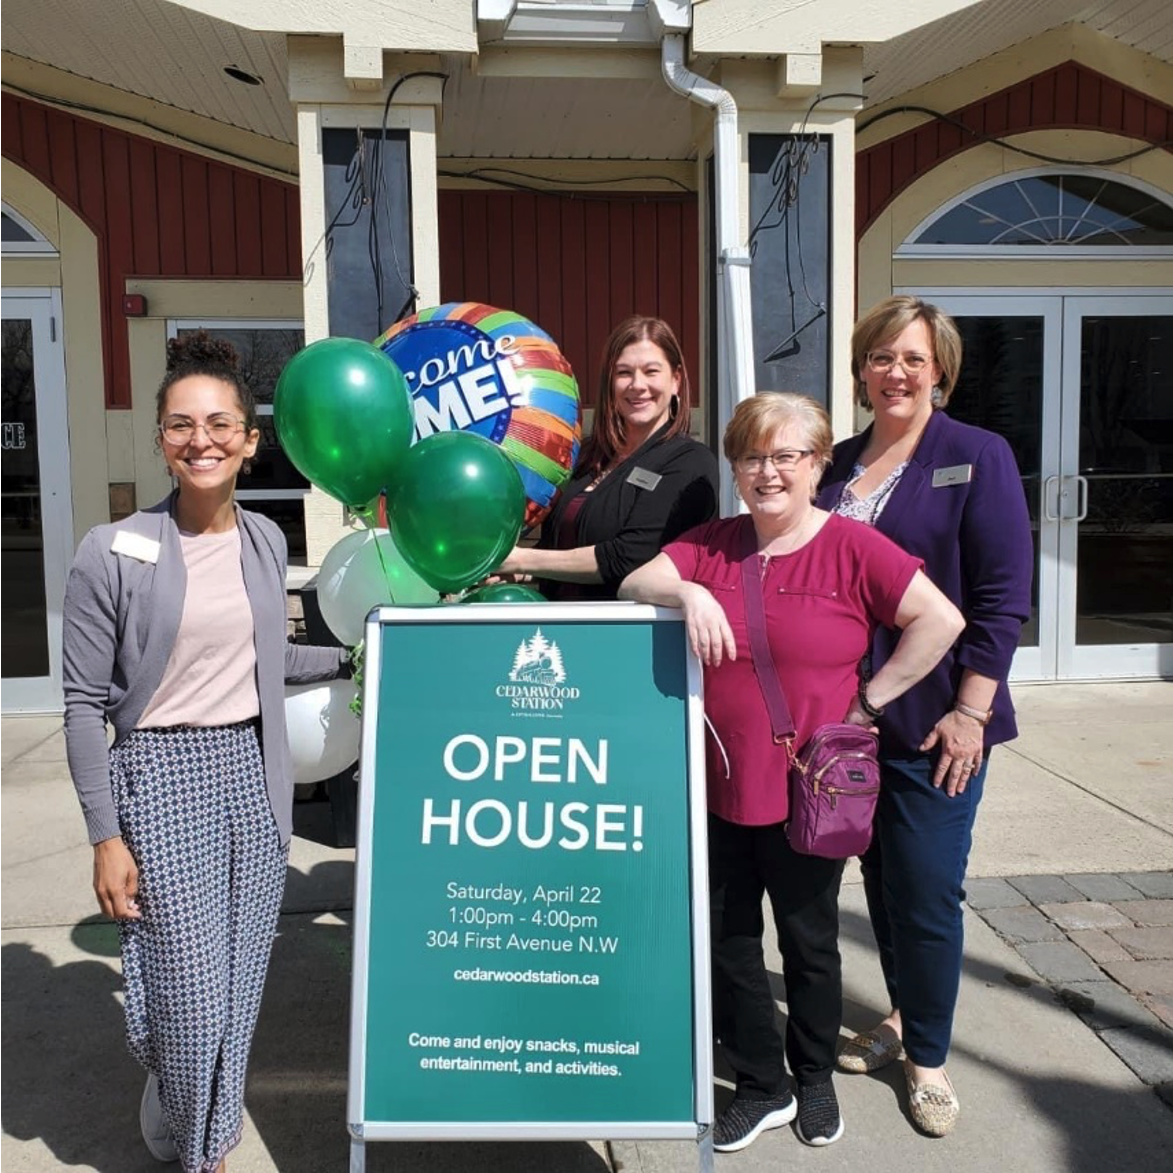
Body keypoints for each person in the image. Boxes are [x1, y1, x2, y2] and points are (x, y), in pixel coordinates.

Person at [619, 392, 963, 1152]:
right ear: (735, 467)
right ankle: (760, 1082)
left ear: (815, 465)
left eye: (786, 456)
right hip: (714, 784)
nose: (767, 472)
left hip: (809, 792)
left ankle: (811, 1076)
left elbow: (940, 619)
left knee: (809, 944)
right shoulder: (711, 544)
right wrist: (686, 590)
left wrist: (870, 703)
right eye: (751, 456)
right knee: (730, 941)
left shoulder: (850, 547)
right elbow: (630, 583)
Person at [62, 333, 350, 1172]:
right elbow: (82, 703)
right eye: (182, 424)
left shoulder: (263, 541)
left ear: (251, 440)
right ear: (159, 438)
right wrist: (104, 835)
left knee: (233, 995)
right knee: (188, 1000)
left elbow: (262, 661)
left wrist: (356, 655)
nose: (203, 440)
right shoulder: (109, 551)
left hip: (253, 782)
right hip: (159, 780)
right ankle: (204, 1150)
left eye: (221, 423)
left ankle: (188, 1115)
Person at [817, 295, 1032, 1137]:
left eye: (911, 357)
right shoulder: (834, 463)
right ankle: (902, 1014)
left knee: (928, 890)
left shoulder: (974, 454)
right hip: (845, 724)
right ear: (861, 369)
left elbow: (1001, 597)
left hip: (936, 721)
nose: (894, 372)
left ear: (938, 365)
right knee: (878, 878)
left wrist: (970, 713)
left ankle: (929, 1058)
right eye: (879, 357)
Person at [493, 315, 718, 599]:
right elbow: (558, 548)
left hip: (633, 636)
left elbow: (629, 556)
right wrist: (518, 571)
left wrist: (522, 560)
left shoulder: (690, 462)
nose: (637, 385)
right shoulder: (588, 456)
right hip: (555, 634)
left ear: (675, 381)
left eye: (651, 371)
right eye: (624, 373)